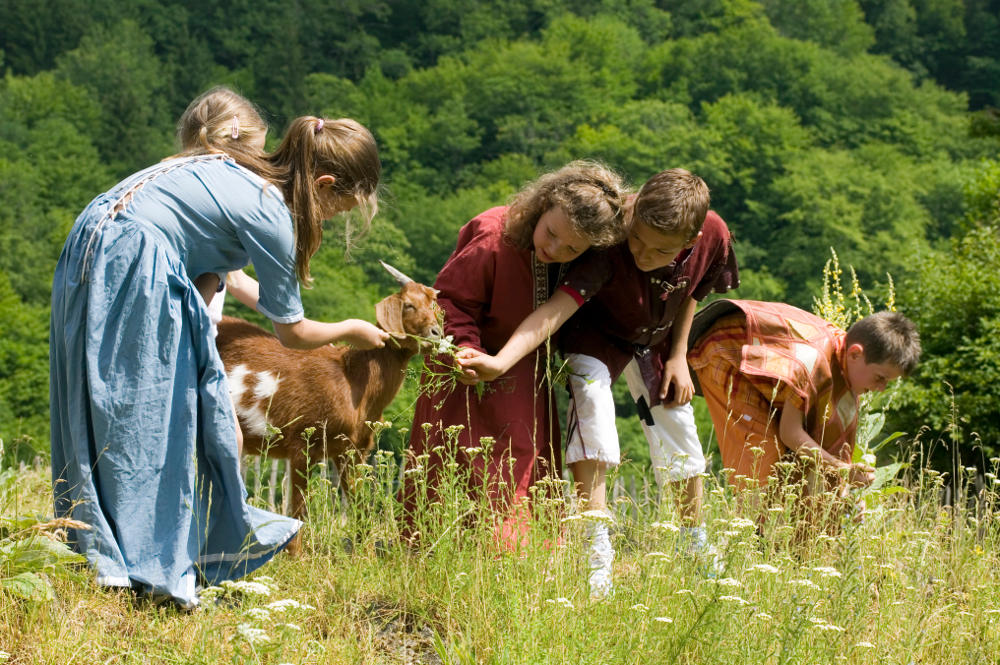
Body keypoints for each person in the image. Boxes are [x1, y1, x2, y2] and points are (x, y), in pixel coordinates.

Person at [49, 109, 388, 608]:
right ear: (324, 183)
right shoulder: (273, 212)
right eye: (338, 209)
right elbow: (293, 333)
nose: (334, 220)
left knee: (98, 400)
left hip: (91, 238)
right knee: (150, 416)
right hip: (136, 256)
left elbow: (207, 266)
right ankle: (147, 573)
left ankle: (99, 553)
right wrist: (354, 330)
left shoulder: (234, 163)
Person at [461, 168, 738, 595]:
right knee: (593, 415)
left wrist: (680, 355)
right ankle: (596, 546)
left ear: (691, 240)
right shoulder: (611, 242)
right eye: (637, 240)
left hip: (657, 334)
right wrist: (499, 362)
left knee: (677, 424)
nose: (642, 254)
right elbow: (554, 311)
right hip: (595, 334)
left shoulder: (714, 234)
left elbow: (696, 290)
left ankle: (692, 539)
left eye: (658, 250)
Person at [399, 161, 628, 550]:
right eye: (551, 233)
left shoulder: (584, 258)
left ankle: (510, 565)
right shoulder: (492, 235)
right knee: (452, 463)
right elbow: (449, 302)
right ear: (543, 206)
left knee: (517, 464)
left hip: (522, 372)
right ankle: (431, 560)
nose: (555, 249)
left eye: (571, 247)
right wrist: (467, 351)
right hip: (463, 367)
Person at [687, 300, 920, 521]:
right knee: (763, 455)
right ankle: (751, 542)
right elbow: (791, 433)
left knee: (804, 464)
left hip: (772, 382)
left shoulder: (848, 372)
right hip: (725, 353)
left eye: (887, 382)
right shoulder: (814, 359)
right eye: (880, 378)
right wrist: (842, 470)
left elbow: (832, 450)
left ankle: (791, 548)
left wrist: (847, 495)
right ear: (855, 354)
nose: (881, 389)